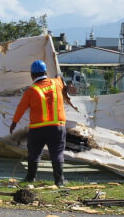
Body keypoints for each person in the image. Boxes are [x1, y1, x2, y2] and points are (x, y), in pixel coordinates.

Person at [10, 59, 75, 187]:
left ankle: (30, 178)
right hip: (57, 127)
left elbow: (21, 108)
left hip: (37, 128)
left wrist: (14, 122)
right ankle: (59, 181)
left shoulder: (30, 91)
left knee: (34, 154)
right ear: (45, 72)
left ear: (32, 75)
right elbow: (60, 78)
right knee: (57, 153)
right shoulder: (56, 83)